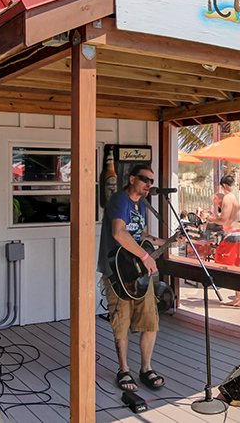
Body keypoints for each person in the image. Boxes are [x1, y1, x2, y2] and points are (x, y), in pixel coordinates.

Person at [97, 164, 165, 392]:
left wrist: (161, 242)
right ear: (132, 178)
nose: (148, 184)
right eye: (144, 179)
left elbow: (139, 233)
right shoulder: (119, 199)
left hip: (138, 273)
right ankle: (124, 369)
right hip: (118, 271)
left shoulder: (141, 205)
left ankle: (146, 368)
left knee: (150, 321)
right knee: (122, 322)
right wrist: (145, 256)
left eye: (151, 181)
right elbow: (119, 232)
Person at [207, 174, 240, 306]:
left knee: (225, 264)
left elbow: (224, 219)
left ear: (224, 186)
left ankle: (239, 295)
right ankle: (239, 295)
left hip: (231, 234)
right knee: (235, 265)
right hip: (239, 232)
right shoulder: (238, 195)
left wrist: (212, 219)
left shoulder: (228, 198)